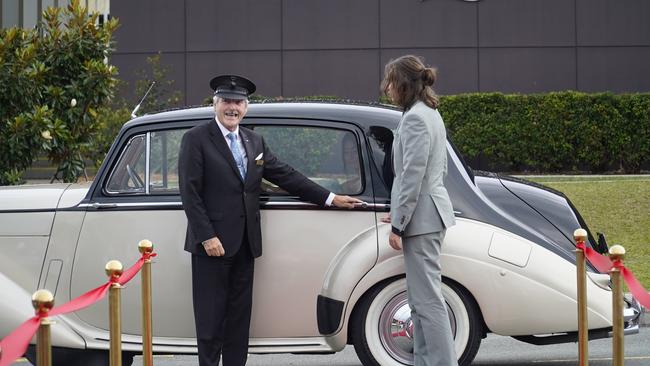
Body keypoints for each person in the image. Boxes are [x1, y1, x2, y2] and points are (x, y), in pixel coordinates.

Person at [178, 74, 361, 366]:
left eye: (238, 102)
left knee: (239, 320)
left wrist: (330, 198)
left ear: (246, 108)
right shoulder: (196, 138)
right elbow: (190, 192)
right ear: (215, 104)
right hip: (211, 245)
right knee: (210, 320)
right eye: (226, 101)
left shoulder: (254, 140)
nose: (232, 108)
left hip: (246, 244)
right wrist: (206, 236)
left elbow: (286, 175)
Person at [380, 56, 458, 366]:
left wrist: (398, 223)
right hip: (428, 215)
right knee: (422, 300)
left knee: (427, 301)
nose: (386, 88)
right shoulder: (430, 114)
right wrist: (399, 211)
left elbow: (411, 175)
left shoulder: (415, 118)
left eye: (390, 82)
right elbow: (439, 170)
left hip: (422, 221)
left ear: (403, 84)